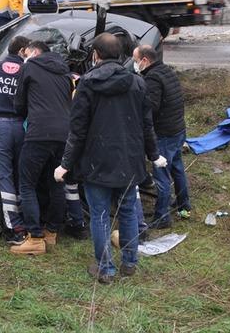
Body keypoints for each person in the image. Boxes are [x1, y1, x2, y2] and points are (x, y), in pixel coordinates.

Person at [55, 33, 166, 284]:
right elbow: (147, 125)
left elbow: (78, 129)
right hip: (129, 160)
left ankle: (105, 268)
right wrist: (154, 155)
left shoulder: (87, 83)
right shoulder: (138, 83)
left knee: (100, 215)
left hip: (97, 162)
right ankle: (129, 263)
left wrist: (66, 164)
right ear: (121, 55)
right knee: (127, 212)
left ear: (96, 55)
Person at [10, 40, 72, 255]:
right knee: (56, 182)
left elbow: (19, 104)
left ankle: (35, 237)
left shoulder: (29, 67)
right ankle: (51, 232)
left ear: (35, 52)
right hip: (64, 134)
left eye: (26, 53)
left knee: (27, 184)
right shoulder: (65, 72)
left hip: (39, 133)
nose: (24, 56)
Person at [133, 45, 190, 229]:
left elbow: (152, 107)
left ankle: (162, 217)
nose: (135, 64)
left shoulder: (153, 78)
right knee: (177, 167)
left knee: (162, 175)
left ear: (145, 60)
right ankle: (183, 203)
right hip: (178, 129)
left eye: (135, 60)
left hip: (165, 133)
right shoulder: (166, 70)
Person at [0, 35, 30, 245]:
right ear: (22, 51)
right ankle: (28, 221)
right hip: (21, 126)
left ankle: (15, 228)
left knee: (4, 176)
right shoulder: (26, 71)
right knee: (22, 174)